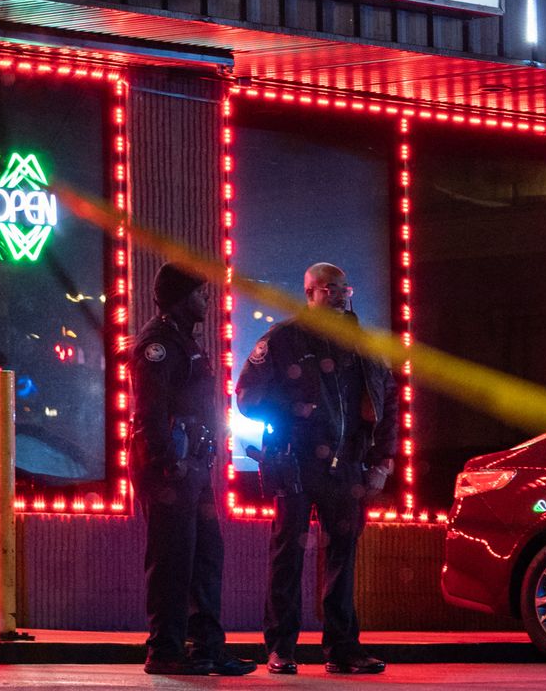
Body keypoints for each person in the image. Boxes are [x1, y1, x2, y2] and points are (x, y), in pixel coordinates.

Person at [237, 262, 399, 676]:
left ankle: (342, 649)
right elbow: (246, 397)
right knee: (288, 553)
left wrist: (383, 459)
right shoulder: (284, 339)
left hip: (348, 465)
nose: (342, 295)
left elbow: (389, 402)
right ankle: (280, 648)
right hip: (294, 460)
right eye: (331, 288)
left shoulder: (365, 345)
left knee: (342, 556)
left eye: (345, 288)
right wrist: (292, 409)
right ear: (311, 292)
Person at [132, 262, 256, 677]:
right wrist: (171, 464)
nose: (207, 299)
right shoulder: (159, 345)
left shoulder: (184, 340)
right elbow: (151, 412)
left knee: (205, 557)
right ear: (183, 299)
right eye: (200, 293)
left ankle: (205, 648)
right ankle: (165, 649)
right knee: (173, 559)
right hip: (172, 469)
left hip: (193, 466)